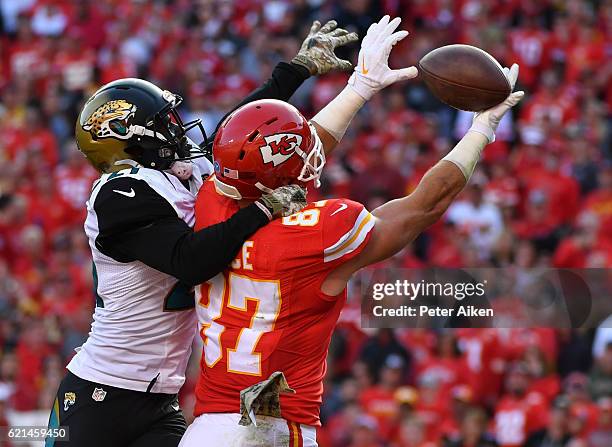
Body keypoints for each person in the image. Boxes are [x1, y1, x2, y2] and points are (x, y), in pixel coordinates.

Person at [181, 15, 524, 446]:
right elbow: (422, 207)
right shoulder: (316, 234)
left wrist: (360, 87)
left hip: (207, 426)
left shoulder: (211, 198)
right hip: (271, 430)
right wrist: (480, 131)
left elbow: (293, 160)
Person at [46, 20, 358, 447]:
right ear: (129, 140)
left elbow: (240, 130)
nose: (177, 126)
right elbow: (190, 261)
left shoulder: (184, 172)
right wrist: (263, 210)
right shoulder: (119, 194)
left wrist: (297, 69)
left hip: (162, 399)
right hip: (99, 396)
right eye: (163, 121)